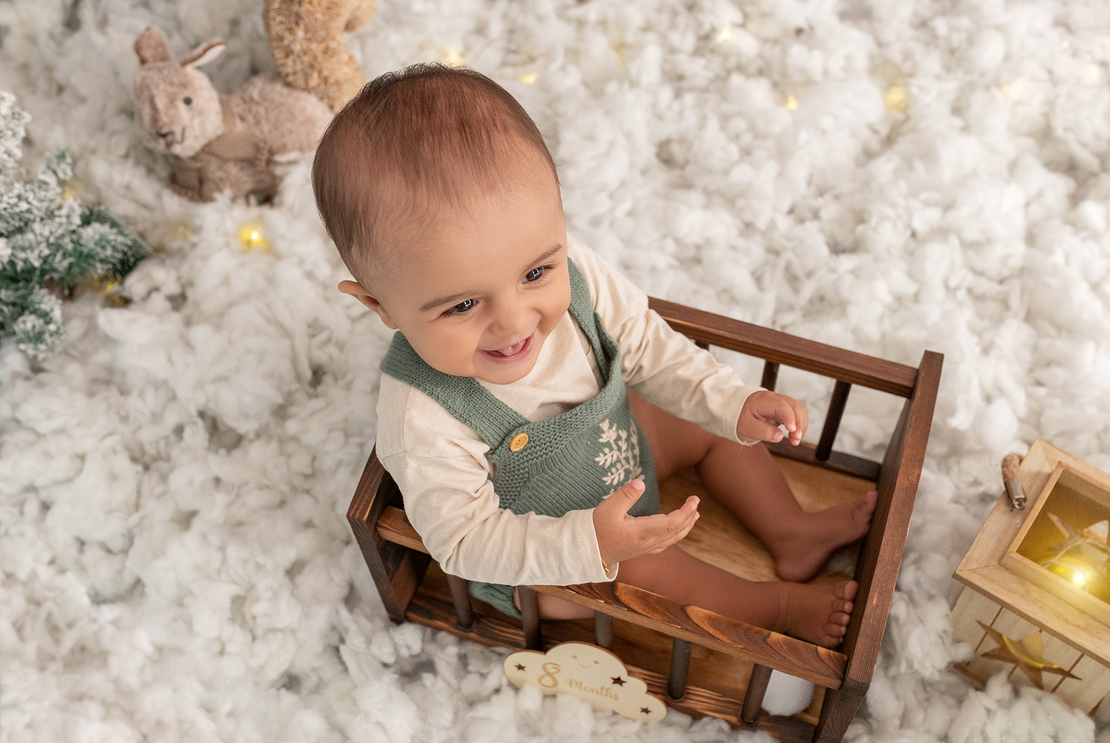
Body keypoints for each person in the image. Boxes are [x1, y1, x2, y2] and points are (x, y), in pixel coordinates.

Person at [311, 63, 876, 647]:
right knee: (638, 568)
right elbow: (462, 540)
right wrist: (591, 543)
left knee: (694, 415)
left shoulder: (576, 271)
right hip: (546, 557)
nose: (515, 322)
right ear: (379, 304)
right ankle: (773, 607)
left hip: (618, 452)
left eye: (535, 273)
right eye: (463, 305)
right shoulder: (421, 416)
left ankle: (790, 530)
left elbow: (647, 344)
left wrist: (731, 401)